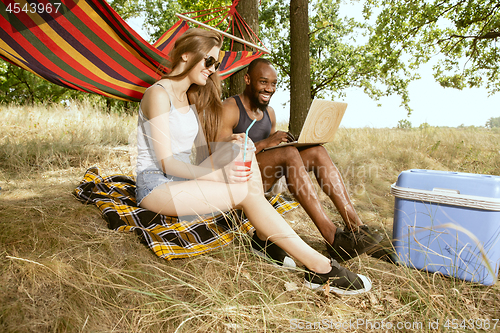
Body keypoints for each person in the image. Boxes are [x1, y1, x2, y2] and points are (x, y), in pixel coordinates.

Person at [134, 28, 372, 295]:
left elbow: (201, 149)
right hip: (156, 186)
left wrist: (236, 148)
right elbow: (166, 163)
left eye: (217, 63)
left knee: (244, 146)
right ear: (186, 55)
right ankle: (320, 268)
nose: (212, 69)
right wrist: (212, 174)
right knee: (243, 192)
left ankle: (263, 237)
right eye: (208, 61)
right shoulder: (158, 94)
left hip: (182, 180)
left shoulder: (188, 95)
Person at [218, 58, 383, 262]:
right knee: (287, 154)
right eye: (263, 82)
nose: (269, 88)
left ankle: (356, 229)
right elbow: (219, 158)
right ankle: (332, 237)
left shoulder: (269, 113)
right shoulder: (230, 108)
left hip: (262, 177)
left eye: (273, 84)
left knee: (317, 151)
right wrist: (267, 143)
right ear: (247, 79)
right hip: (236, 181)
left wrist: (291, 145)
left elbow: (268, 156)